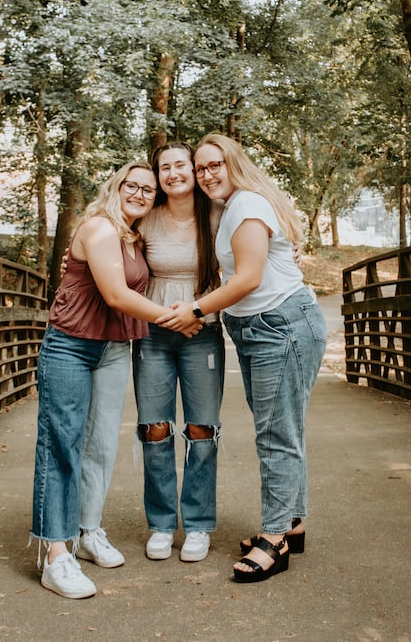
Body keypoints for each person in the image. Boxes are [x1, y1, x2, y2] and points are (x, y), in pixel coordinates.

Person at [157, 132, 326, 583]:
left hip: (281, 326)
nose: (208, 174)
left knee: (275, 435)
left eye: (216, 165)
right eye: (202, 167)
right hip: (261, 329)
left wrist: (193, 308)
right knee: (282, 428)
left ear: (235, 164)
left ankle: (275, 538)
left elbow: (249, 278)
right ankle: (293, 522)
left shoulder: (248, 205)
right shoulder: (226, 208)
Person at [30, 161, 202, 600]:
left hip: (112, 348)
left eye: (149, 190)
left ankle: (88, 532)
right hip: (70, 345)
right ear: (117, 187)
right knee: (62, 444)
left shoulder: (133, 236)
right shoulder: (101, 229)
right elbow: (116, 295)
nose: (141, 194)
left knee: (102, 445)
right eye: (133, 185)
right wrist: (179, 319)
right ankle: (54, 555)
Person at [132, 142, 225, 563]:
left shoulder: (218, 215)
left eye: (180, 165)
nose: (173, 173)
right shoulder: (145, 219)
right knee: (155, 429)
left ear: (193, 170)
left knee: (202, 430)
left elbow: (247, 262)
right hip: (151, 332)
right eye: (164, 167)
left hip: (201, 332)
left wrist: (197, 316)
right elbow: (107, 249)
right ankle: (161, 524)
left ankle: (199, 525)